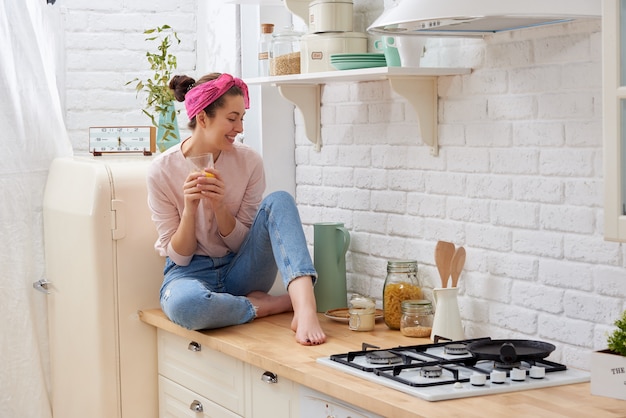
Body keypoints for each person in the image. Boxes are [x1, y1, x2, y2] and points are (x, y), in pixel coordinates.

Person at [146, 72, 326, 345]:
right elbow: (179, 258)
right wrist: (190, 209)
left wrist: (220, 207)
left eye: (242, 118)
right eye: (232, 118)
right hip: (189, 273)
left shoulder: (249, 161)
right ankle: (269, 306)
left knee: (279, 200)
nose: (240, 128)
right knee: (186, 307)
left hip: (241, 268)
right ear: (203, 118)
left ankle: (305, 309)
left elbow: (243, 242)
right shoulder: (161, 170)